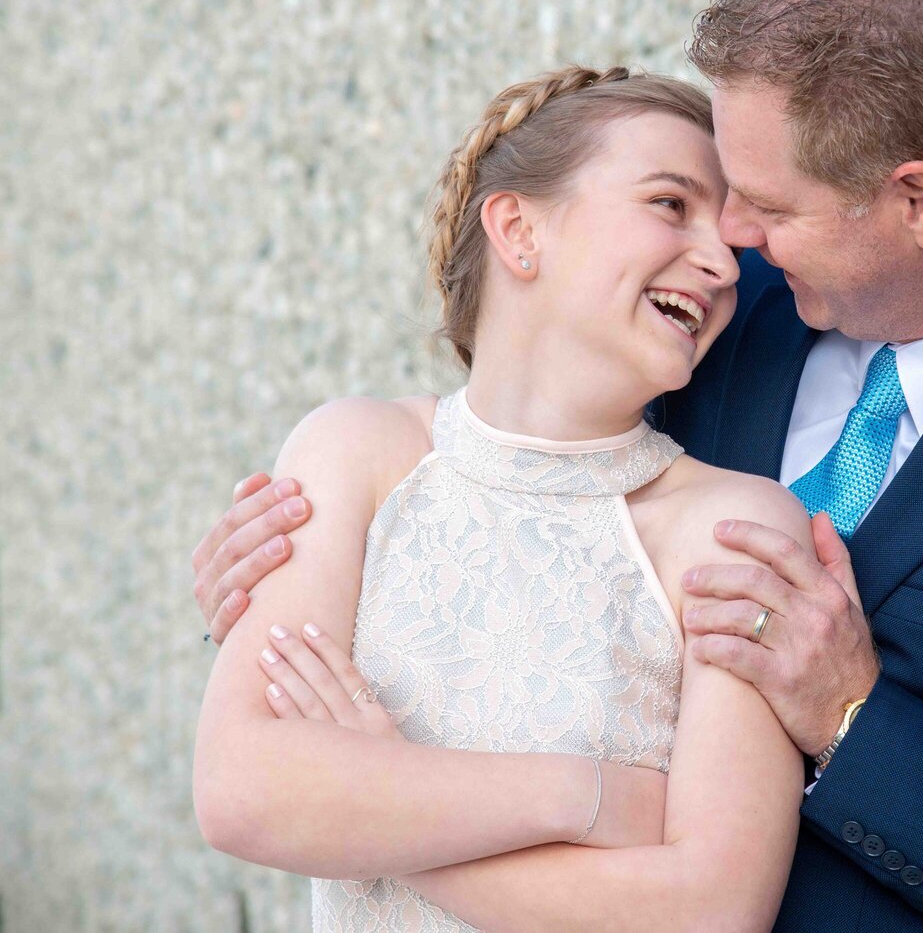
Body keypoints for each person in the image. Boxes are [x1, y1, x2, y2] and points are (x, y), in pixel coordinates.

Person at [195, 0, 923, 932]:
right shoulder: (718, 311)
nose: (730, 238)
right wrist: (308, 579)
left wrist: (855, 720)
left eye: (764, 205)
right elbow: (519, 506)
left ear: (916, 202)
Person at [192, 66, 822, 931]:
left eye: (734, 240)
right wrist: (589, 797)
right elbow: (240, 791)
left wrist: (379, 801)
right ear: (519, 229)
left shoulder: (731, 530)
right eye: (672, 205)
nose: (721, 265)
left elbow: (710, 912)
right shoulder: (357, 454)